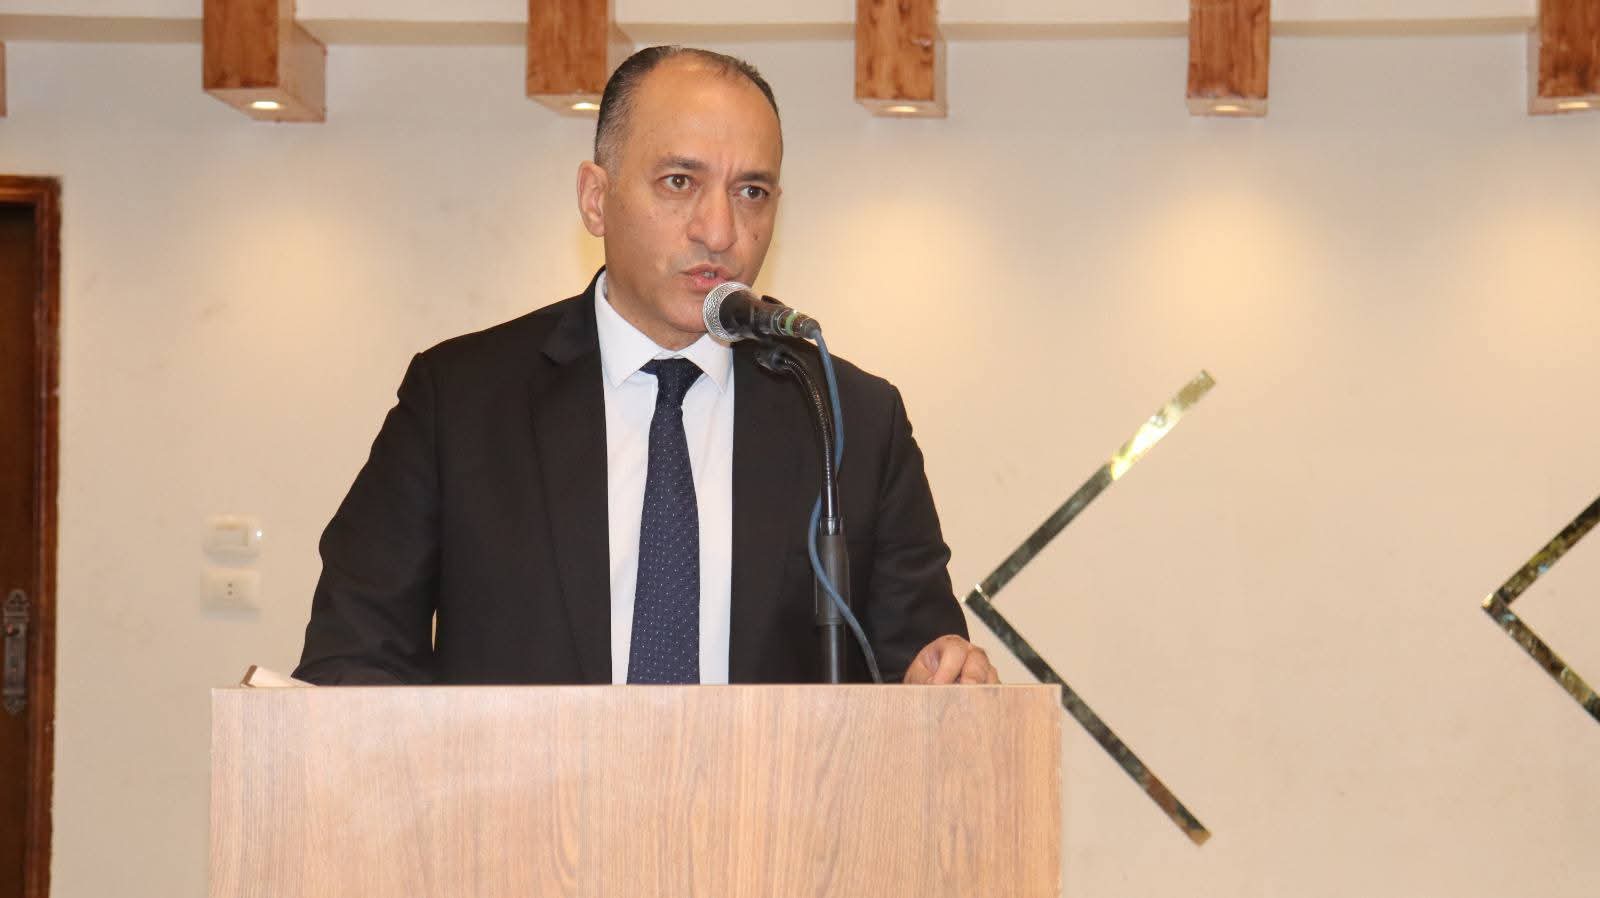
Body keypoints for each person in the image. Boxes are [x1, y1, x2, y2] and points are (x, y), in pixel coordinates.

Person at [293, 46, 997, 687]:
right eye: (679, 181)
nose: (719, 230)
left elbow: (919, 672)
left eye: (751, 191)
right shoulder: (460, 401)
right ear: (596, 200)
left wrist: (944, 684)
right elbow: (351, 658)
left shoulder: (848, 418)